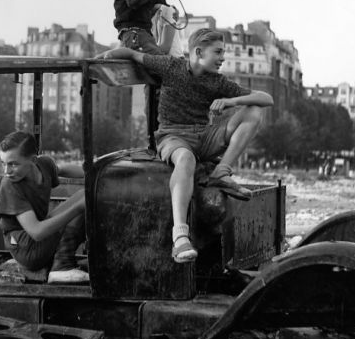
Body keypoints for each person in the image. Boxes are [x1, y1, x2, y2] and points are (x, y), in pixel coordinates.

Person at [99, 29, 274, 264]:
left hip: (204, 136)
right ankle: (180, 237)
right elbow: (133, 54)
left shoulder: (217, 81)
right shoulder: (171, 67)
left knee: (253, 110)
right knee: (186, 160)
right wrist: (107, 55)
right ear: (199, 52)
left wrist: (231, 101)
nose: (223, 58)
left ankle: (221, 171)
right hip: (173, 136)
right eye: (218, 52)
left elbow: (266, 99)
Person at [0, 131, 89, 284]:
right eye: (3, 163)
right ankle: (61, 266)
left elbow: (61, 170)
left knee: (87, 194)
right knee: (81, 204)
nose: (6, 171)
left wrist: (95, 172)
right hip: (25, 247)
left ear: (32, 160)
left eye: (13, 164)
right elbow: (37, 232)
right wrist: (78, 208)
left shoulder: (44, 164)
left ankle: (72, 259)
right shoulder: (10, 185)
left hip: (39, 238)